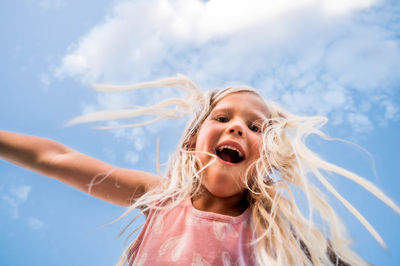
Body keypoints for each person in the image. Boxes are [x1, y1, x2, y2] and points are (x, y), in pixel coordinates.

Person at [0, 75, 398, 265]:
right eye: (223, 117)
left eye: (255, 127)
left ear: (267, 156)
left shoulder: (270, 223)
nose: (237, 126)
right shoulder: (160, 197)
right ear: (193, 138)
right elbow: (56, 158)